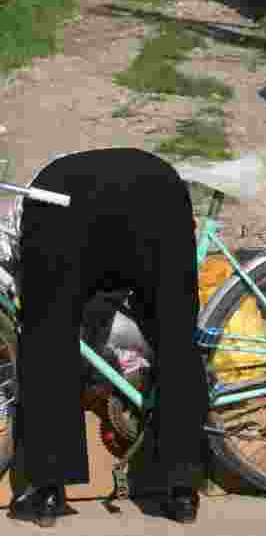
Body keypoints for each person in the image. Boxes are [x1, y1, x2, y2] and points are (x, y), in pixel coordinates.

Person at [10, 148, 208, 526]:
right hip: (156, 192)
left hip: (63, 203)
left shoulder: (38, 190)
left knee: (48, 335)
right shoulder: (63, 173)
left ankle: (48, 491)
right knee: (176, 336)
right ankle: (181, 491)